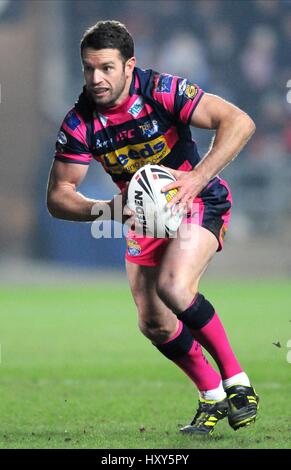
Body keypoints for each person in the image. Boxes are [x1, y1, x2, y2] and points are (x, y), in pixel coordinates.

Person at [47, 20, 259, 435]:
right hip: (142, 217)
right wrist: (108, 210)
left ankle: (238, 383)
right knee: (154, 322)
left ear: (130, 66)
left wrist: (197, 178)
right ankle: (212, 396)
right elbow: (59, 197)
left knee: (175, 287)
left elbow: (239, 122)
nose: (96, 79)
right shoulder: (80, 122)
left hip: (195, 199)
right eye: (89, 69)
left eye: (107, 68)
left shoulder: (162, 90)